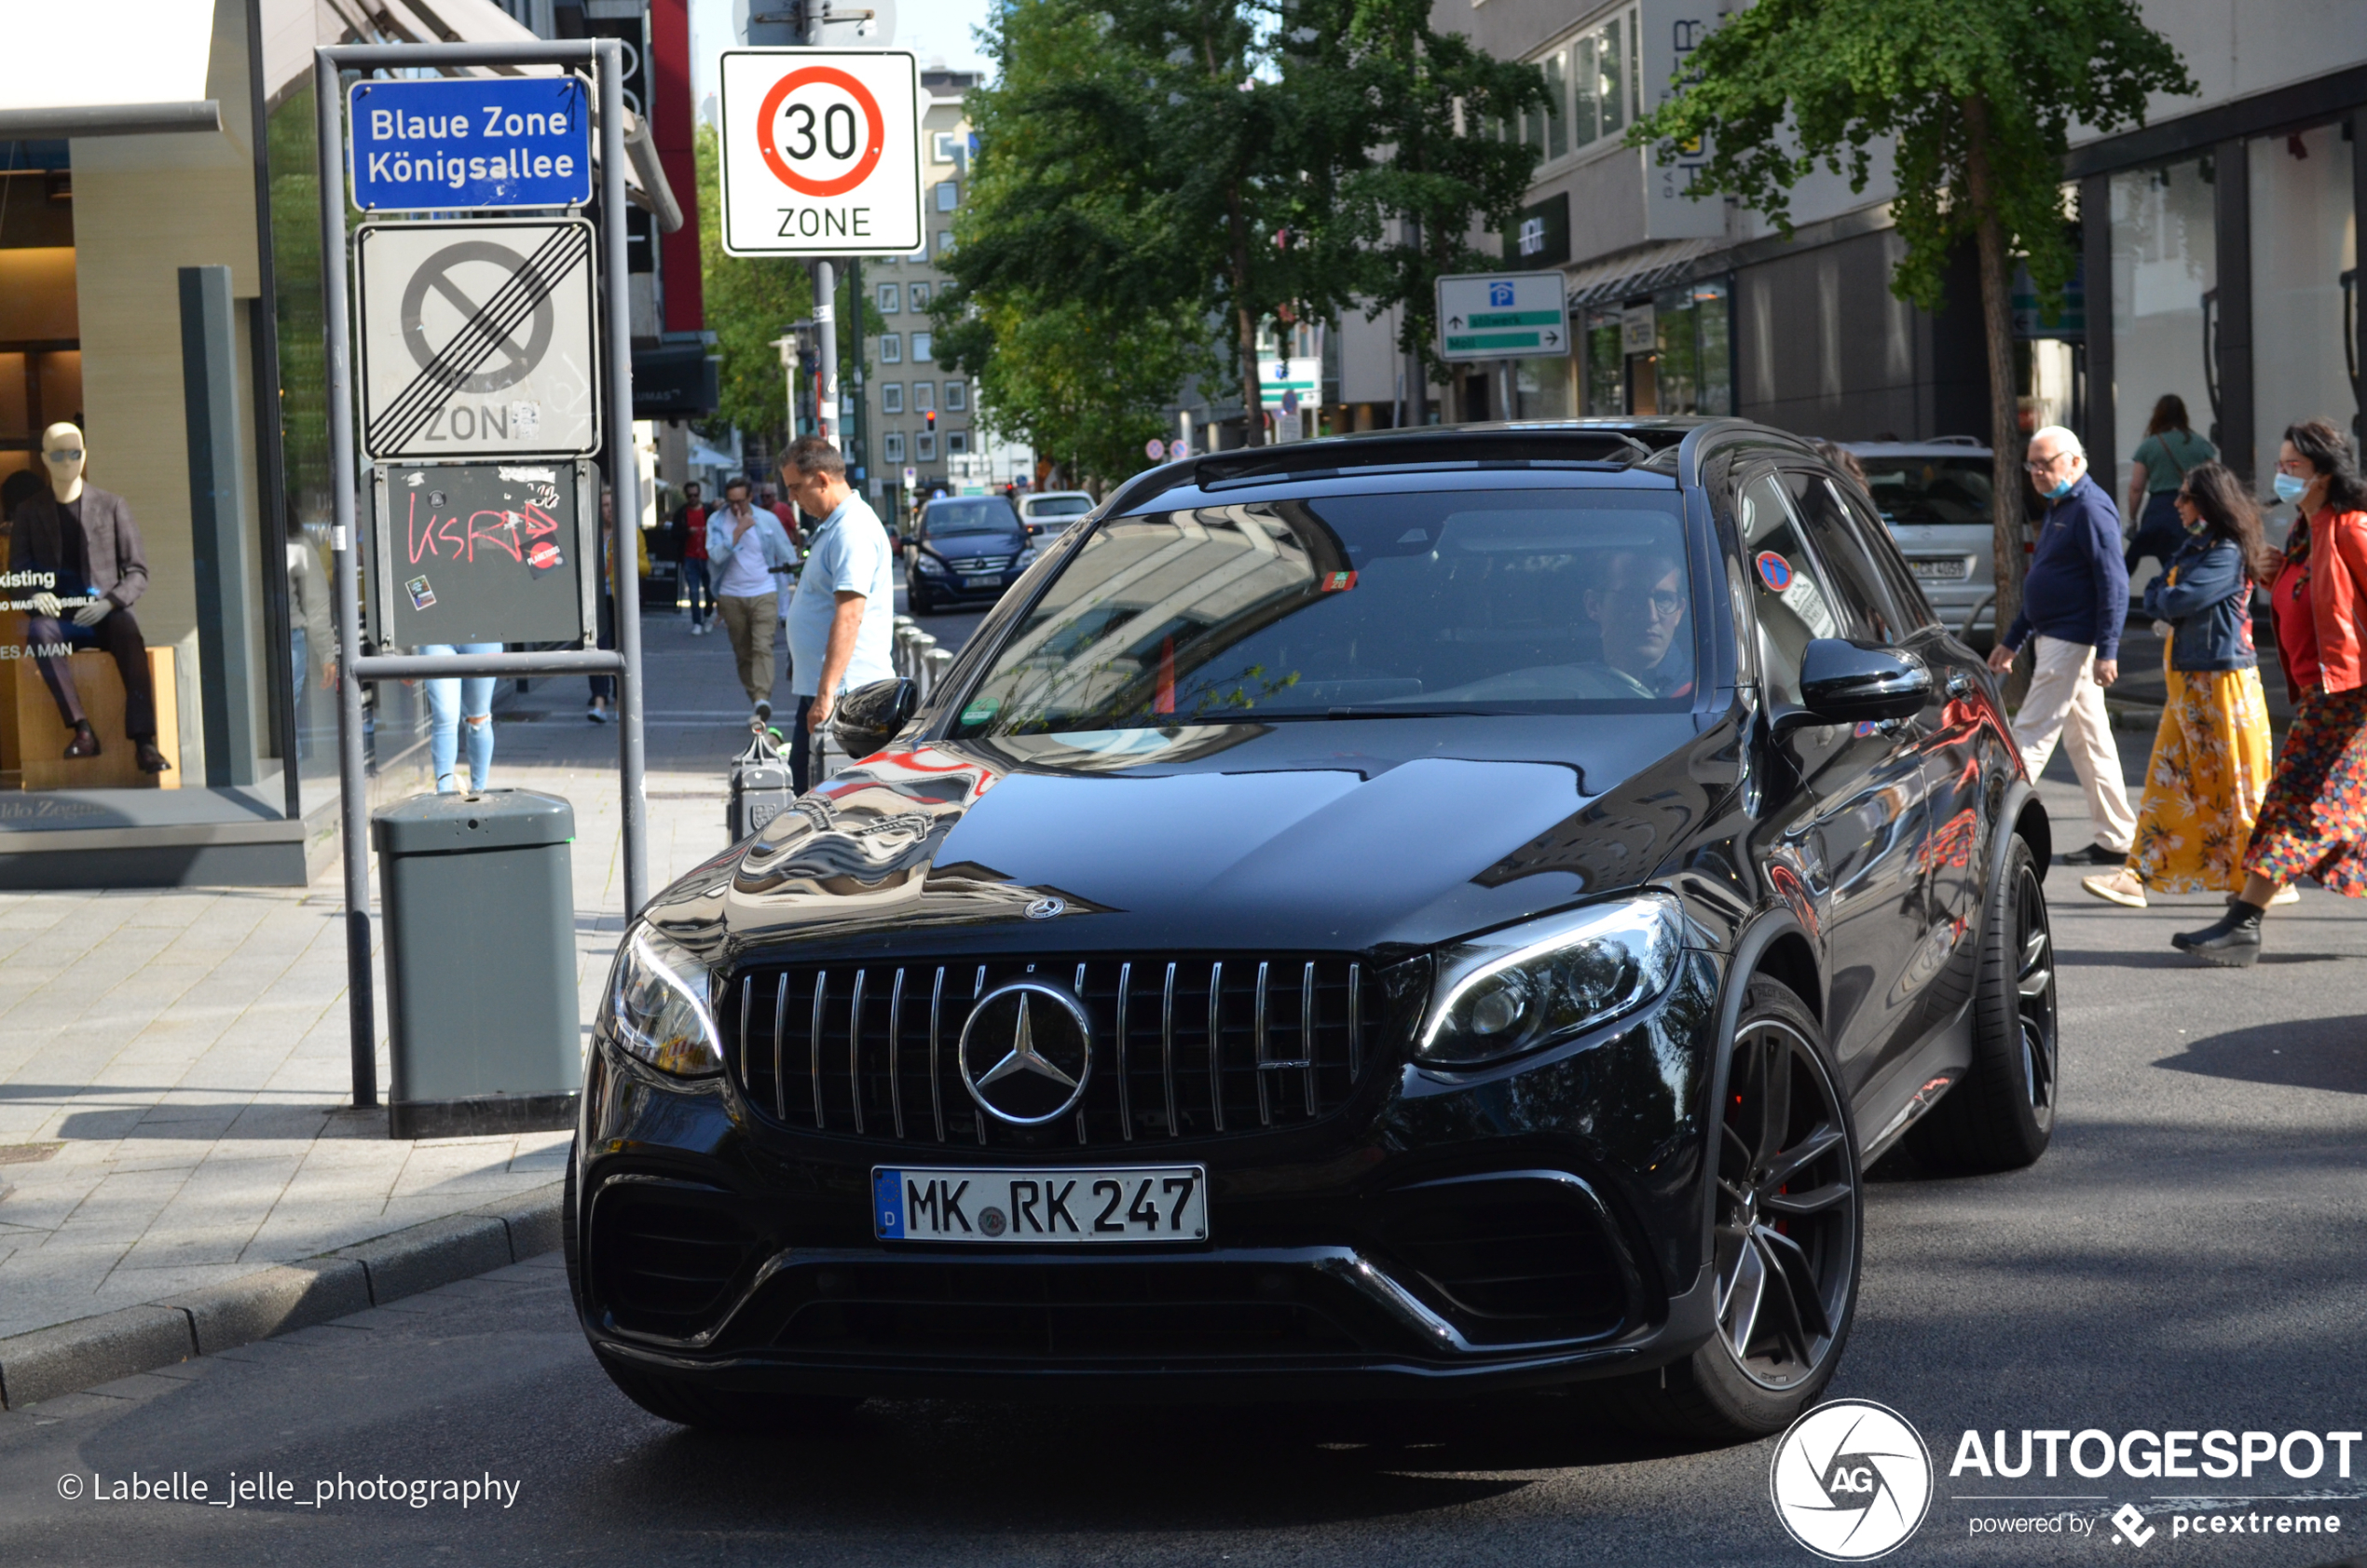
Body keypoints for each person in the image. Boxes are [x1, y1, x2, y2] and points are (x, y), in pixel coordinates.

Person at [2172, 417, 2367, 964]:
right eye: (2279, 465)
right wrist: (2273, 574)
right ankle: (2242, 922)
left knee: (2302, 809)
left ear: (2324, 474)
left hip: (2352, 702)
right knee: (2313, 809)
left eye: (2293, 467)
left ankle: (2243, 921)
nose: (2282, 475)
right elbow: (2312, 604)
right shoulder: (2305, 534)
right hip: (2324, 697)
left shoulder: (2350, 528)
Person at [2079, 461, 2278, 908]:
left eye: (2186, 496)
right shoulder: (2200, 545)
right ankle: (2136, 875)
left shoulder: (2225, 551)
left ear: (2207, 503)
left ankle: (2261, 880)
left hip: (2222, 684)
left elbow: (2176, 598)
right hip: (2189, 684)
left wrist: (2161, 599)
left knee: (2237, 787)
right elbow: (2158, 592)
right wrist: (2161, 598)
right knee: (2166, 780)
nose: (2176, 502)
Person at [1986, 426, 2135, 866]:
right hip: (2058, 635)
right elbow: (2045, 583)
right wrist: (2013, 641)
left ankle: (1993, 828)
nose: (2035, 472)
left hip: (2073, 639)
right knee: (2089, 743)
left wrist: (2108, 649)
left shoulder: (2090, 508)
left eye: (2044, 464)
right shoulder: (2063, 504)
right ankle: (2117, 838)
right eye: (2030, 464)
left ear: (2073, 460)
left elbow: (2114, 582)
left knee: (2031, 732)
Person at [8, 423, 169, 771]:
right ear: (44, 461)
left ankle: (144, 741)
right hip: (60, 618)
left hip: (104, 613)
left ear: (85, 456)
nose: (68, 462)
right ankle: (82, 729)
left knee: (129, 632)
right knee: (39, 633)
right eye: (58, 454)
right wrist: (36, 595)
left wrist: (110, 602)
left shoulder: (112, 506)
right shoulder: (29, 511)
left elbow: (138, 571)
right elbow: (15, 576)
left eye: (75, 453)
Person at [780, 436, 895, 793]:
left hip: (845, 694)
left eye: (797, 487)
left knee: (824, 795)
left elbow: (849, 616)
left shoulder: (852, 530)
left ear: (823, 480)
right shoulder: (837, 526)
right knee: (811, 788)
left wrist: (826, 694)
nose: (792, 498)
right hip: (833, 688)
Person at [706, 475, 800, 722]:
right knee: (743, 652)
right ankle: (756, 701)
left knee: (762, 647)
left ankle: (762, 699)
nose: (736, 507)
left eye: (741, 501)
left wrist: (799, 580)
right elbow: (715, 556)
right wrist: (737, 532)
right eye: (731, 501)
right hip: (730, 595)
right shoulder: (716, 521)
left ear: (750, 497)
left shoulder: (767, 519)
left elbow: (786, 553)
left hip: (764, 591)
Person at [2124, 396, 2215, 579]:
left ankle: (2113, 596)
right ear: (2184, 415)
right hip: (2191, 510)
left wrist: (2132, 519)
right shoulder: (2200, 444)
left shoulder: (2149, 446)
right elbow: (2213, 482)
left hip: (2158, 510)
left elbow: (2136, 487)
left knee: (2129, 563)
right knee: (2185, 562)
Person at [1584, 547, 1694, 698]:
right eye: (1633, 597)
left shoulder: (1701, 693)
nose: (1651, 617)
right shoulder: (1563, 687)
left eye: (1664, 599)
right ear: (1594, 605)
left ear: (1679, 611)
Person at [418, 641, 499, 793]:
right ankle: (443, 795)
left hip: (482, 633)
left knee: (479, 719)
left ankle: (479, 793)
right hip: (435, 634)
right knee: (445, 718)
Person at [672, 482, 711, 634]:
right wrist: (687, 532)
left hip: (707, 556)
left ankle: (707, 616)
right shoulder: (682, 513)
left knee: (709, 591)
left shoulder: (708, 510)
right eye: (690, 495)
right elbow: (674, 534)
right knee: (693, 592)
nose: (693, 498)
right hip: (690, 556)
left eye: (695, 495)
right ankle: (697, 621)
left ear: (699, 494)